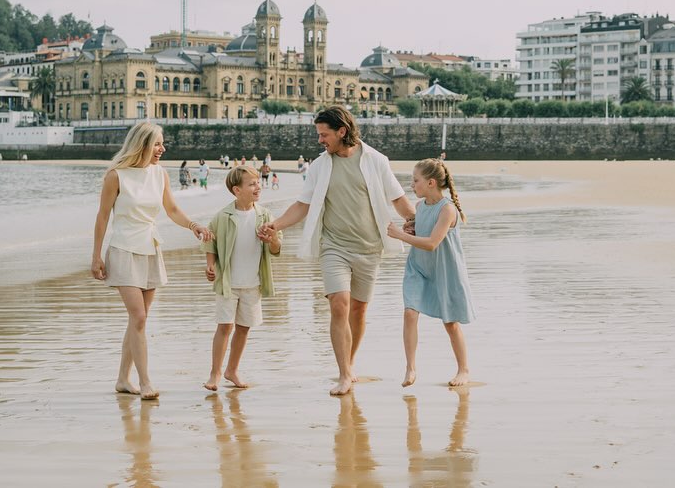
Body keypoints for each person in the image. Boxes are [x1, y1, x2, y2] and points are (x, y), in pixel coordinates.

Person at [259, 105, 415, 395]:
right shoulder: (320, 165)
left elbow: (398, 198)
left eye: (324, 134)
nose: (320, 140)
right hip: (334, 246)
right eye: (318, 135)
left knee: (358, 310)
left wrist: (417, 221)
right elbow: (302, 205)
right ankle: (343, 373)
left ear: (342, 131)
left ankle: (350, 362)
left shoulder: (375, 160)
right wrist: (276, 224)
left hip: (370, 247)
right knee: (339, 304)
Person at [91, 122, 213, 400]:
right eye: (157, 144)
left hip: (150, 248)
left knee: (138, 322)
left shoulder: (160, 174)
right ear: (142, 144)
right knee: (139, 317)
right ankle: (145, 382)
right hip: (123, 249)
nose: (163, 149)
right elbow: (102, 217)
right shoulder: (116, 176)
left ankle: (123, 379)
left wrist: (193, 225)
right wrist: (96, 255)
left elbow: (171, 209)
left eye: (162, 143)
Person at [386, 158, 476, 388]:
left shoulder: (447, 209)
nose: (411, 185)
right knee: (409, 313)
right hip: (418, 267)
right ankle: (410, 367)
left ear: (431, 183)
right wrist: (410, 228)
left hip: (444, 270)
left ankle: (463, 370)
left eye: (415, 181)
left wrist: (400, 235)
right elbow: (422, 231)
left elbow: (432, 243)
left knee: (451, 323)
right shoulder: (419, 206)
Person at [203, 166, 281, 391]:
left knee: (244, 328)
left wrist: (271, 240)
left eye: (258, 183)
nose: (258, 187)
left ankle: (232, 370)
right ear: (237, 190)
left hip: (253, 283)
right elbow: (210, 241)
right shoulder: (223, 216)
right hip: (228, 282)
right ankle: (215, 372)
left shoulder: (265, 215)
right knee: (225, 327)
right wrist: (210, 265)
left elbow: (277, 247)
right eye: (252, 184)